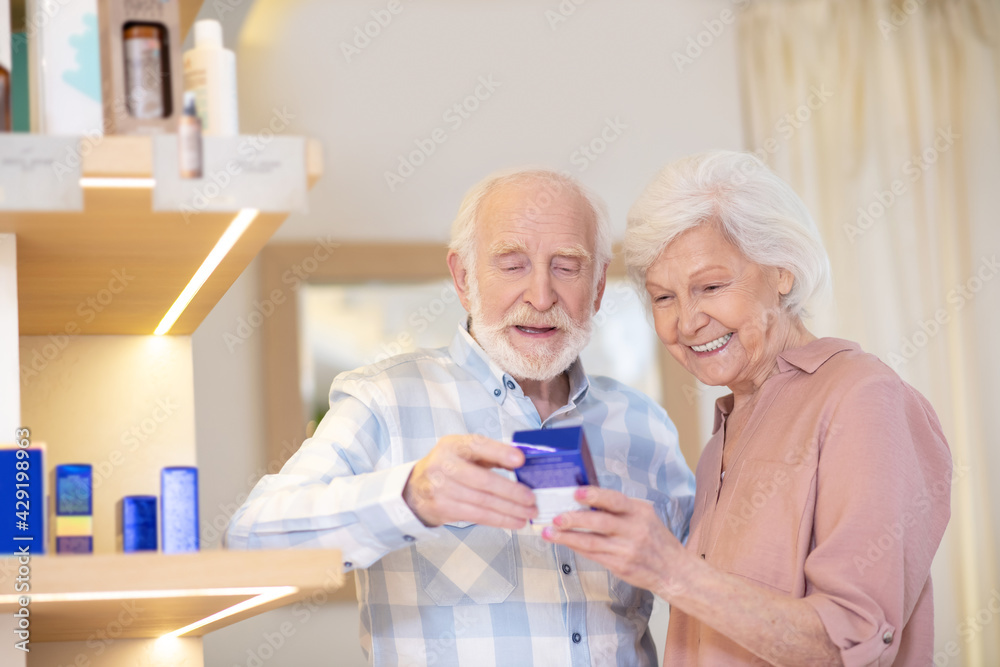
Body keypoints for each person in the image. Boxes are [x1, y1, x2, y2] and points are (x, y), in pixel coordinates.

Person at [227, 168, 696, 667]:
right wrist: (412, 496)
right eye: (512, 265)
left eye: (566, 266)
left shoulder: (644, 425)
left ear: (599, 286)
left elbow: (716, 583)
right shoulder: (385, 398)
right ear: (464, 278)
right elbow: (249, 540)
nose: (541, 296)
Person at [542, 151, 953, 666]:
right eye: (664, 298)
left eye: (710, 287)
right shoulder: (722, 438)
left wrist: (672, 569)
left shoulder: (863, 397)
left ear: (781, 271)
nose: (688, 323)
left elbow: (850, 642)